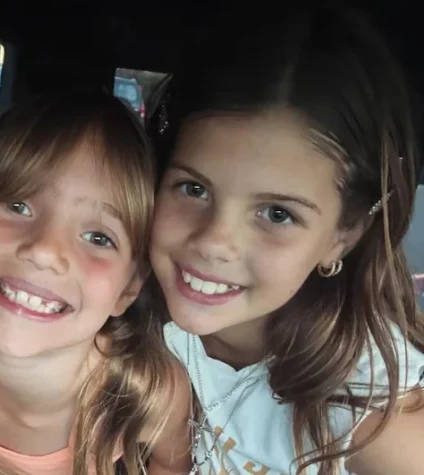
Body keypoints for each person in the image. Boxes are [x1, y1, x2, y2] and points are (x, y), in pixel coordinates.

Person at [147, 3, 424, 474]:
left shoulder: (369, 415)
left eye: (278, 214)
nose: (214, 242)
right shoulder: (121, 305)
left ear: (342, 237)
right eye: (193, 189)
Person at [0, 92, 191, 474]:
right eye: (18, 206)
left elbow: (172, 462)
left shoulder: (147, 393)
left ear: (129, 289)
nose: (45, 251)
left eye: (99, 238)